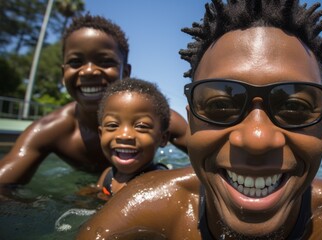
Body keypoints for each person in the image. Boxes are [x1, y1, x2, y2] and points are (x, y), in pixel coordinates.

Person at [77, 1, 322, 239]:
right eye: (220, 107)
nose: (257, 139)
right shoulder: (146, 207)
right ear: (190, 122)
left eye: (296, 108)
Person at [0, 14, 188, 185]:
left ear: (126, 72)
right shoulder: (51, 130)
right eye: (75, 62)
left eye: (106, 61)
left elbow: (212, 157)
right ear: (63, 73)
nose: (89, 71)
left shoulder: (158, 118)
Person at [95, 77, 171, 200]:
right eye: (112, 125)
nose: (124, 136)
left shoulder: (159, 183)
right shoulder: (108, 175)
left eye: (141, 126)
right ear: (100, 134)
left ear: (163, 138)